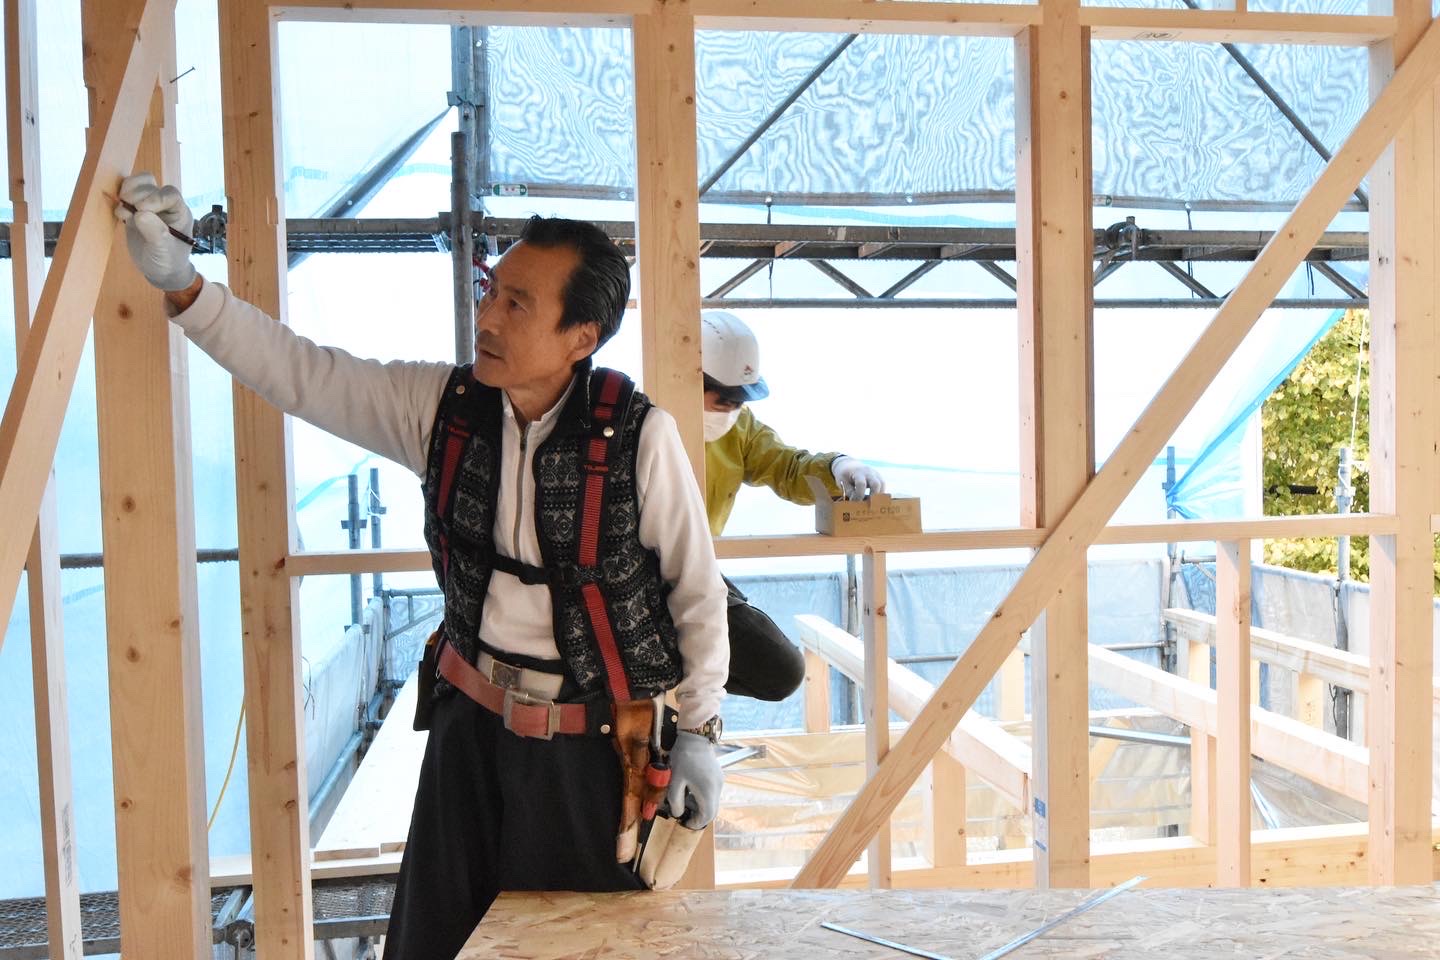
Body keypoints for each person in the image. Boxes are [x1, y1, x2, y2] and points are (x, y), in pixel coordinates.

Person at [114, 174, 728, 959]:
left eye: (518, 304)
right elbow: (302, 373)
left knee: (581, 948)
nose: (488, 317)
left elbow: (697, 593)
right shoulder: (444, 409)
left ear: (582, 336)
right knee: (433, 943)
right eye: (492, 291)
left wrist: (701, 731)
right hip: (468, 734)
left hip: (592, 751)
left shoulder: (639, 437)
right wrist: (185, 284)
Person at [700, 310, 885, 702]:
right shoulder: (640, 423)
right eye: (723, 400)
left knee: (778, 670)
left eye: (739, 402)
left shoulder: (739, 428)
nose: (731, 411)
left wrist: (838, 466)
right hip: (641, 579)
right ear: (689, 379)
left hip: (699, 573)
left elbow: (785, 466)